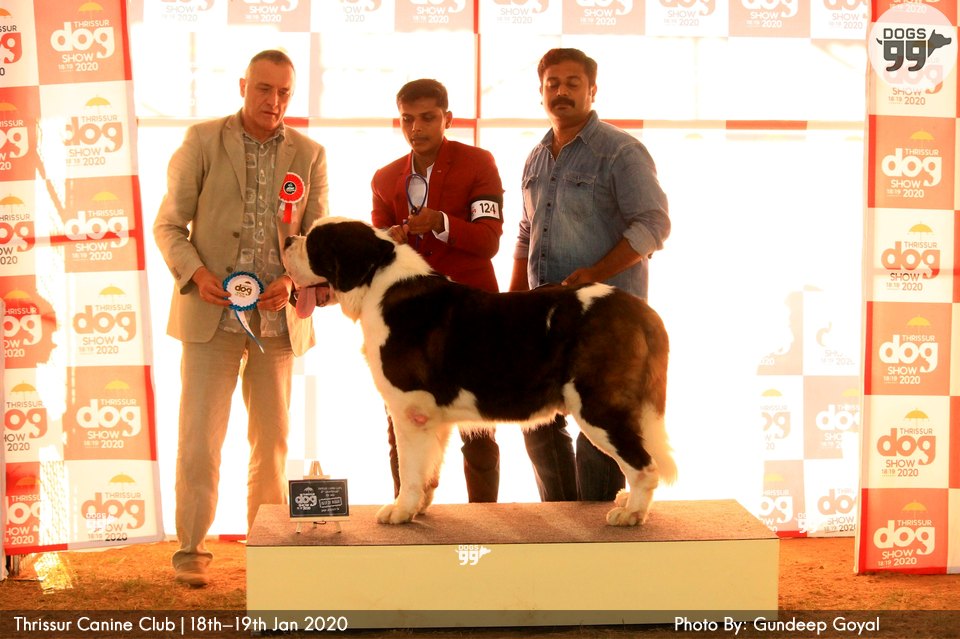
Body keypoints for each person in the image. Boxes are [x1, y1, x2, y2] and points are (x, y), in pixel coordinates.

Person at [153, 49, 328, 587]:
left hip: (278, 325)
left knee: (272, 443)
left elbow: (316, 238)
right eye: (263, 88)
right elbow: (168, 225)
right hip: (211, 318)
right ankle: (190, 550)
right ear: (243, 85)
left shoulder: (310, 154)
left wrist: (293, 282)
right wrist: (196, 273)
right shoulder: (202, 140)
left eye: (283, 92)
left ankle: (266, 547)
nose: (273, 101)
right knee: (199, 438)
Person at [509, 48, 670, 502]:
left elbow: (654, 224)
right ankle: (560, 522)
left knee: (599, 426)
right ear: (541, 91)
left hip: (605, 321)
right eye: (552, 84)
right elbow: (525, 232)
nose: (561, 92)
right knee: (536, 425)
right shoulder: (536, 157)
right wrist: (512, 300)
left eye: (572, 83)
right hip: (542, 318)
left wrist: (596, 274)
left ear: (592, 90)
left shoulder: (620, 151)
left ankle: (597, 531)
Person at [372, 78, 503, 503]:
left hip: (472, 318)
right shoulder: (384, 178)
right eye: (407, 119)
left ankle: (484, 516)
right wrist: (388, 240)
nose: (416, 128)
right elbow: (376, 254)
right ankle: (408, 506)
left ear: (448, 119)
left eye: (427, 118)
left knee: (479, 428)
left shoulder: (479, 162)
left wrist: (442, 223)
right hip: (409, 324)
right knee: (402, 418)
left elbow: (489, 241)